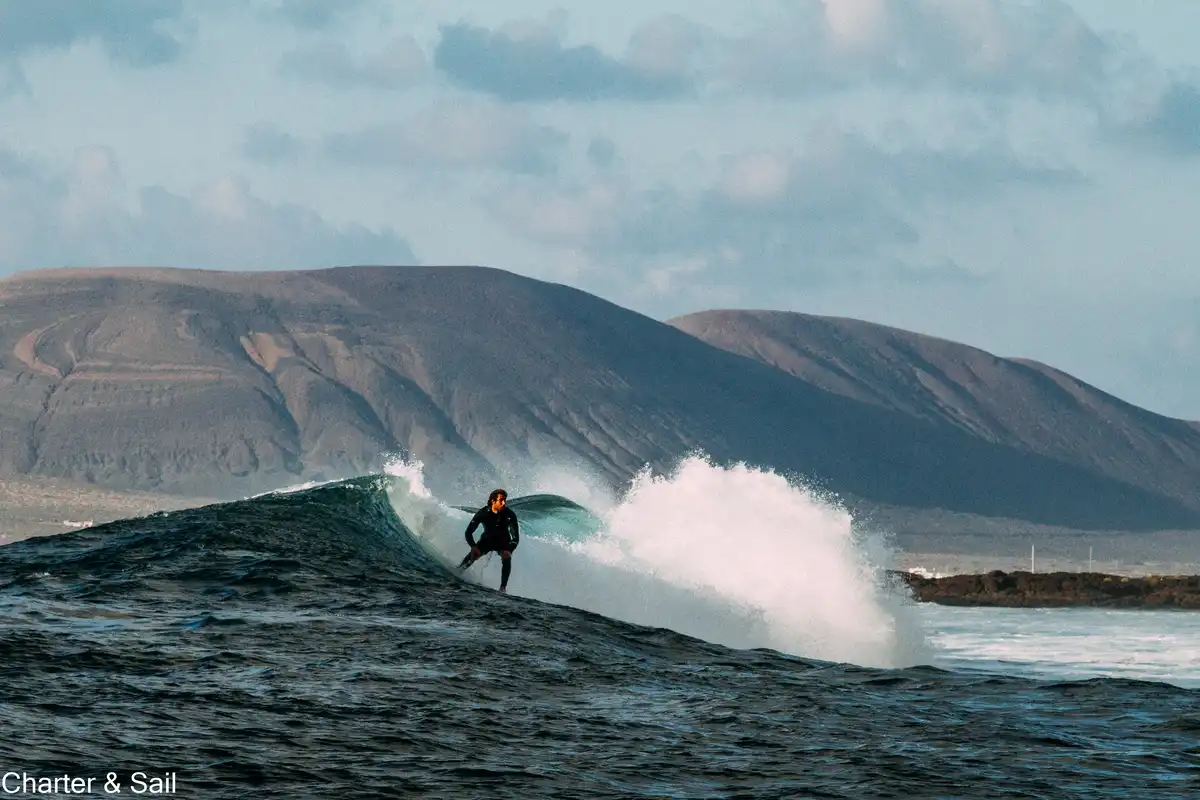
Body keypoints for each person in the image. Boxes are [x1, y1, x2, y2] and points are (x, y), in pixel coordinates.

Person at [457, 489, 520, 593]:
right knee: (474, 554)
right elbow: (468, 532)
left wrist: (509, 550)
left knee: (507, 557)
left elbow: (515, 538)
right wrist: (473, 546)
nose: (504, 503)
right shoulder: (483, 513)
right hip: (487, 541)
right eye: (501, 500)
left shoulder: (510, 515)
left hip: (503, 543)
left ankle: (503, 588)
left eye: (505, 500)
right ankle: (459, 571)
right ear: (493, 501)